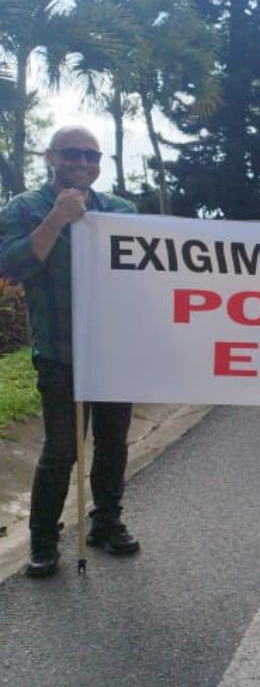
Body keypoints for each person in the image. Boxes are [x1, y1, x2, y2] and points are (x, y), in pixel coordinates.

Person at [0, 125, 140, 578]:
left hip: (114, 351)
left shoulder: (120, 211)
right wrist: (57, 219)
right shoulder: (25, 209)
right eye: (74, 154)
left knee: (114, 443)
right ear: (50, 157)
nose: (84, 164)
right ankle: (43, 541)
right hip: (59, 351)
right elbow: (14, 265)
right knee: (62, 449)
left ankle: (107, 522)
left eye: (92, 156)